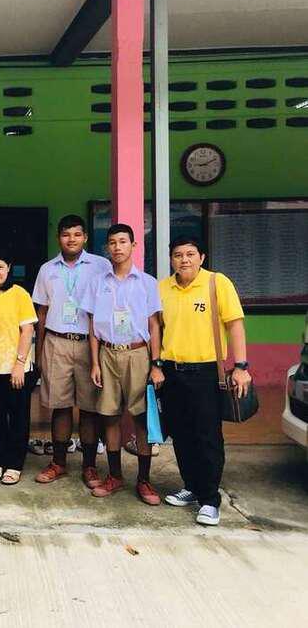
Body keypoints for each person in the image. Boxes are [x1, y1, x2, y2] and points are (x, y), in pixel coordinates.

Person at [158, 236, 250, 526]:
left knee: (207, 435)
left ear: (202, 257)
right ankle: (191, 486)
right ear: (171, 259)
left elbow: (235, 325)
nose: (184, 260)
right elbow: (156, 329)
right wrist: (156, 365)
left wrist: (241, 366)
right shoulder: (163, 288)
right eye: (178, 255)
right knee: (180, 433)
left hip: (206, 373)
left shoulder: (216, 283)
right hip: (172, 372)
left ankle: (210, 499)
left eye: (190, 254)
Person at [80, 223, 163, 504]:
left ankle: (144, 480)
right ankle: (114, 475)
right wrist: (94, 363)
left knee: (141, 418)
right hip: (107, 354)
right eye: (113, 242)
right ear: (107, 247)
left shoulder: (147, 282)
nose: (117, 247)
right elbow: (92, 326)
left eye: (123, 241)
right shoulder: (98, 282)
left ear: (133, 245)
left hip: (138, 354)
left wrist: (156, 363)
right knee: (110, 416)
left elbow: (154, 325)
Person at [31, 214, 111, 488]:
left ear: (85, 237)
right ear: (59, 238)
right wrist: (39, 351)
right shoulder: (47, 270)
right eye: (66, 235)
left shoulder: (101, 266)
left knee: (89, 408)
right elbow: (42, 312)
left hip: (90, 343)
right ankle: (59, 463)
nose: (71, 239)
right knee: (60, 405)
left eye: (77, 234)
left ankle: (89, 466)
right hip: (57, 342)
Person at [0, 249, 37, 485]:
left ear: (9, 268)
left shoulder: (19, 294)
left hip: (16, 367)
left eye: (0, 267)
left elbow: (28, 330)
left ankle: (14, 464)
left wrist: (19, 363)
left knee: (18, 417)